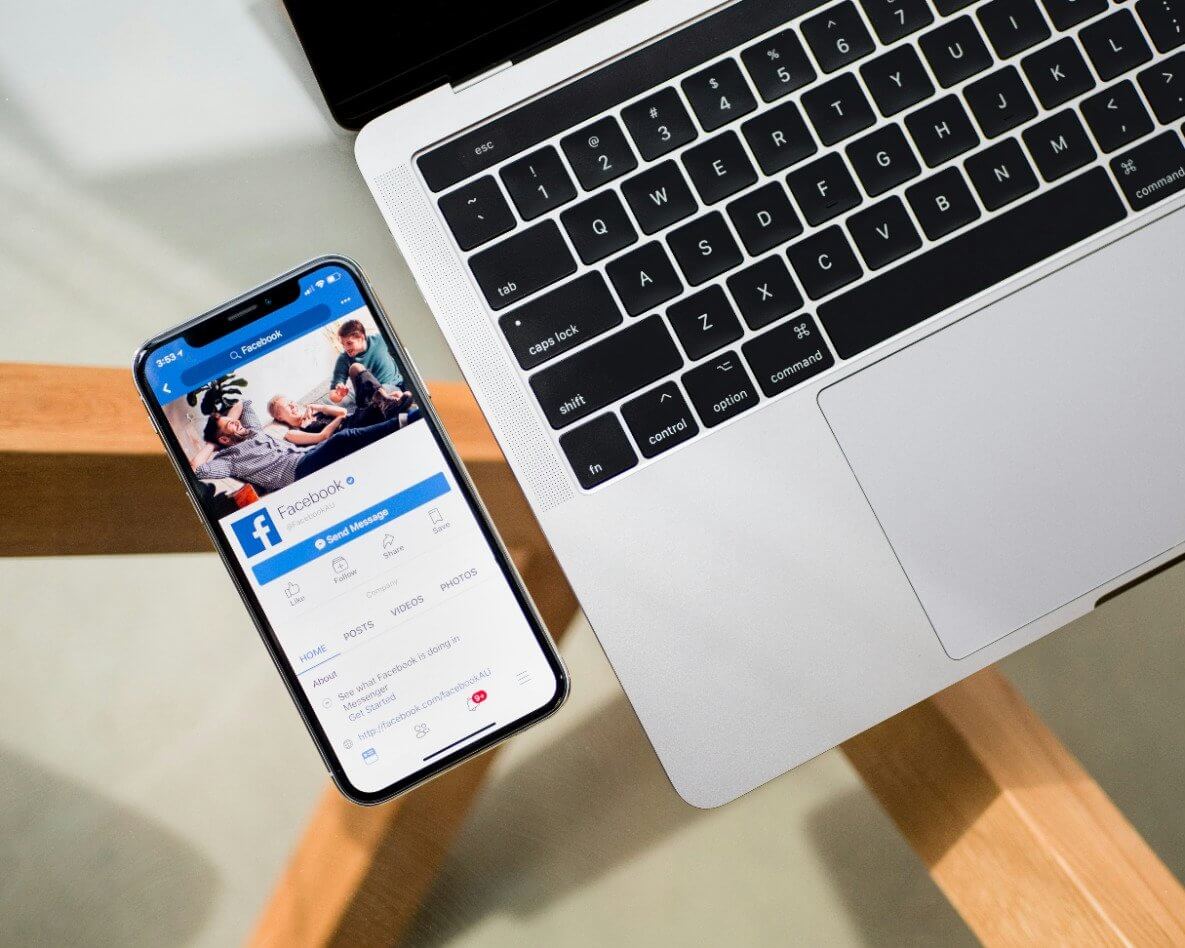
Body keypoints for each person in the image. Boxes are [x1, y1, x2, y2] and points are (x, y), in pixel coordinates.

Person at [191, 397, 410, 493]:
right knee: (343, 438)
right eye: (230, 427)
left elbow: (243, 403)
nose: (237, 423)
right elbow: (197, 469)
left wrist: (227, 421)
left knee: (349, 440)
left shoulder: (254, 431)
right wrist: (211, 444)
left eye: (234, 421)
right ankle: (404, 421)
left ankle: (398, 418)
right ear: (224, 440)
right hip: (295, 471)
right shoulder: (228, 461)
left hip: (306, 455)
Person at [267, 365, 417, 441]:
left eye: (292, 402)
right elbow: (324, 436)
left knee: (355, 368)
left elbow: (343, 412)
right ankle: (392, 409)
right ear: (279, 417)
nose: (293, 405)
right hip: (353, 427)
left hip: (357, 416)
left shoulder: (313, 411)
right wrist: (338, 419)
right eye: (287, 406)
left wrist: (315, 406)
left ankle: (385, 402)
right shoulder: (293, 433)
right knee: (406, 403)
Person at [328, 320, 402, 404]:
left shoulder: (379, 340)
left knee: (383, 391)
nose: (346, 348)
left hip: (393, 386)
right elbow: (332, 396)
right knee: (345, 400)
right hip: (367, 394)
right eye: (343, 345)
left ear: (361, 338)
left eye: (349, 343)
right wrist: (339, 394)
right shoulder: (344, 358)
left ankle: (380, 401)